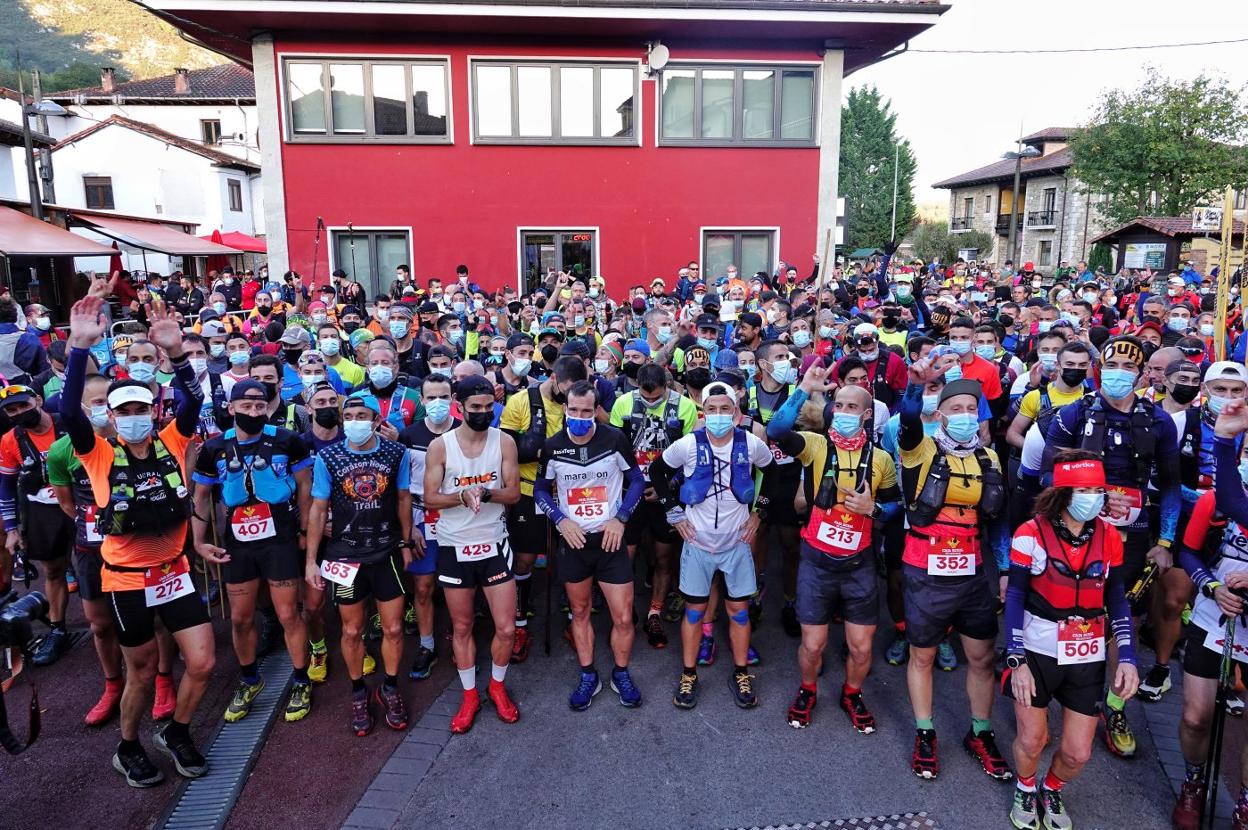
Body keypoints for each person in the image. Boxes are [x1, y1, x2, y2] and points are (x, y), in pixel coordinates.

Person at [62, 294, 215, 788]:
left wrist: (175, 352)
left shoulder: (172, 440)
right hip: (127, 578)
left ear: (152, 412)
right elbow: (68, 412)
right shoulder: (99, 455)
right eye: (122, 409)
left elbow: (193, 402)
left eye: (140, 408)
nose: (132, 415)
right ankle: (128, 746)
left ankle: (177, 731)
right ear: (111, 414)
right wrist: (79, 349)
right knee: (143, 671)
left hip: (174, 572)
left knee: (204, 661)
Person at [1042, 335, 1180, 758]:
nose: (1119, 375)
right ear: (1099, 370)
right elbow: (1046, 477)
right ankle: (1054, 694)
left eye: (1129, 369)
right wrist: (1096, 495)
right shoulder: (1071, 413)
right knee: (1068, 606)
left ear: (1142, 375)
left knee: (1127, 616)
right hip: (1075, 525)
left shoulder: (1158, 422)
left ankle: (1114, 706)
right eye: (1111, 367)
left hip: (1133, 533)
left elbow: (1172, 486)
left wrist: (1165, 541)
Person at [1004, 452, 1139, 830]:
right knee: (1032, 741)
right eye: (1083, 490)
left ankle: (1052, 787)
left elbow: (1116, 597)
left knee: (1078, 752)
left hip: (1087, 653)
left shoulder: (1110, 535)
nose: (1093, 498)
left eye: (1098, 490)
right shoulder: (1030, 533)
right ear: (1063, 493)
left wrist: (1126, 656)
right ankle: (1025, 787)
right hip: (1037, 647)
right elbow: (1014, 596)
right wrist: (1017, 660)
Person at [766, 366, 901, 731]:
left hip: (859, 565)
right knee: (813, 645)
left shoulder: (882, 460)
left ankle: (852, 693)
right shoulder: (817, 446)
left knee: (860, 648)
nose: (842, 412)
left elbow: (894, 506)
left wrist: (872, 509)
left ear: (867, 414)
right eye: (838, 405)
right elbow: (777, 432)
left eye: (851, 407)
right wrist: (802, 390)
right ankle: (808, 689)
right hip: (817, 561)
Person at [898, 357, 1012, 782]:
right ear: (941, 412)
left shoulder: (990, 458)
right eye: (956, 408)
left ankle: (980, 731)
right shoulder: (920, 449)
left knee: (981, 656)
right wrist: (914, 388)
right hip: (925, 568)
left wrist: (1003, 569)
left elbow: (997, 520)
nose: (964, 416)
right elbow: (909, 420)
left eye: (972, 409)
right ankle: (925, 731)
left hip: (972, 570)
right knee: (923, 654)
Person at [192, 380, 315, 724]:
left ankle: (301, 679)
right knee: (242, 617)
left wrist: (305, 532)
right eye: (246, 407)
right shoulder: (213, 448)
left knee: (289, 614)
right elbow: (200, 497)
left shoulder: (287, 441)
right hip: (237, 542)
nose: (254, 412)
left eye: (260, 406)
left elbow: (305, 487)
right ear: (231, 408)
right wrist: (199, 542)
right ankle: (249, 679)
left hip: (280, 538)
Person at [648, 381, 773, 710]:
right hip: (698, 542)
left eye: (725, 408)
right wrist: (674, 512)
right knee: (694, 610)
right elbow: (657, 471)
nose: (718, 415)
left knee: (739, 612)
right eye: (712, 409)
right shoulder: (688, 444)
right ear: (704, 411)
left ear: (735, 411)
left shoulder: (751, 443)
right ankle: (689, 674)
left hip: (736, 541)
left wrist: (759, 512)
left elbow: (772, 473)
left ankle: (741, 671)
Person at [305, 395, 413, 736]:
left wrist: (407, 542)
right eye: (348, 415)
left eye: (361, 415)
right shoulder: (328, 456)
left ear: (376, 418)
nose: (354, 420)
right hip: (345, 555)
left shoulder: (397, 453)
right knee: (352, 630)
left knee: (394, 628)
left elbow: (404, 499)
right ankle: (357, 691)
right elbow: (318, 508)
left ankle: (390, 687)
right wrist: (311, 560)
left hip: (386, 551)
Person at [536, 380, 645, 709]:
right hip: (574, 542)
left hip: (610, 541)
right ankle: (588, 675)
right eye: (574, 410)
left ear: (596, 409)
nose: (580, 416)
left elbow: (637, 479)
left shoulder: (614, 439)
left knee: (623, 617)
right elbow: (541, 490)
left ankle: (621, 673)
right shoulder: (553, 446)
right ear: (565, 409)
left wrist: (621, 516)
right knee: (580, 612)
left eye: (587, 411)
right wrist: (560, 519)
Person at [424, 375, 522, 733]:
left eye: (487, 407)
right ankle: (469, 696)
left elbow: (513, 494)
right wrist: (462, 497)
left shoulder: (504, 442)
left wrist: (486, 493)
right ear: (458, 405)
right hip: (454, 546)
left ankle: (496, 685)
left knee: (507, 628)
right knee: (462, 627)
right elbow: (430, 498)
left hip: (494, 544)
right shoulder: (441, 446)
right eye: (475, 408)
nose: (482, 413)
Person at [1170, 400, 1248, 830]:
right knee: (1196, 717)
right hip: (1215, 614)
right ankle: (1194, 781)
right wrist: (1213, 587)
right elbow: (1192, 548)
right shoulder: (1224, 500)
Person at [499, 355, 587, 661]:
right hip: (528, 490)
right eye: (567, 391)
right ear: (554, 379)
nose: (571, 398)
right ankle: (520, 623)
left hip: (571, 494)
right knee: (523, 560)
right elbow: (506, 450)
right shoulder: (521, 402)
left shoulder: (580, 404)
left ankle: (576, 622)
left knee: (575, 558)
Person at [608, 362, 698, 647]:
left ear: (667, 386)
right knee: (626, 555)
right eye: (644, 398)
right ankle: (625, 611)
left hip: (666, 492)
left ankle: (655, 612)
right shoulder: (623, 403)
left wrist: (666, 489)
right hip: (630, 490)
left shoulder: (684, 406)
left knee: (663, 556)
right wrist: (632, 488)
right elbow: (614, 451)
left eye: (656, 397)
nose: (650, 402)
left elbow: (690, 456)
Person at [0, 383, 76, 665]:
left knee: (100, 564)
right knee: (53, 570)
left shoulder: (68, 423)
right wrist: (11, 528)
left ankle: (113, 623)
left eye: (23, 404)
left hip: (82, 502)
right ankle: (57, 631)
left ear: (39, 400)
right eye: (12, 409)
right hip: (43, 510)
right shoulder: (10, 441)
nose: (20, 412)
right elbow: (6, 486)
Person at [398, 373, 459, 680]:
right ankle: (426, 645)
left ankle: (461, 639)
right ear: (421, 401)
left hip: (457, 519)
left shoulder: (463, 432)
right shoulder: (408, 436)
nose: (437, 403)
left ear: (453, 400)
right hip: (422, 520)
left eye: (443, 397)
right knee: (423, 587)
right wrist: (409, 528)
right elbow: (404, 490)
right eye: (431, 397)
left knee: (458, 587)